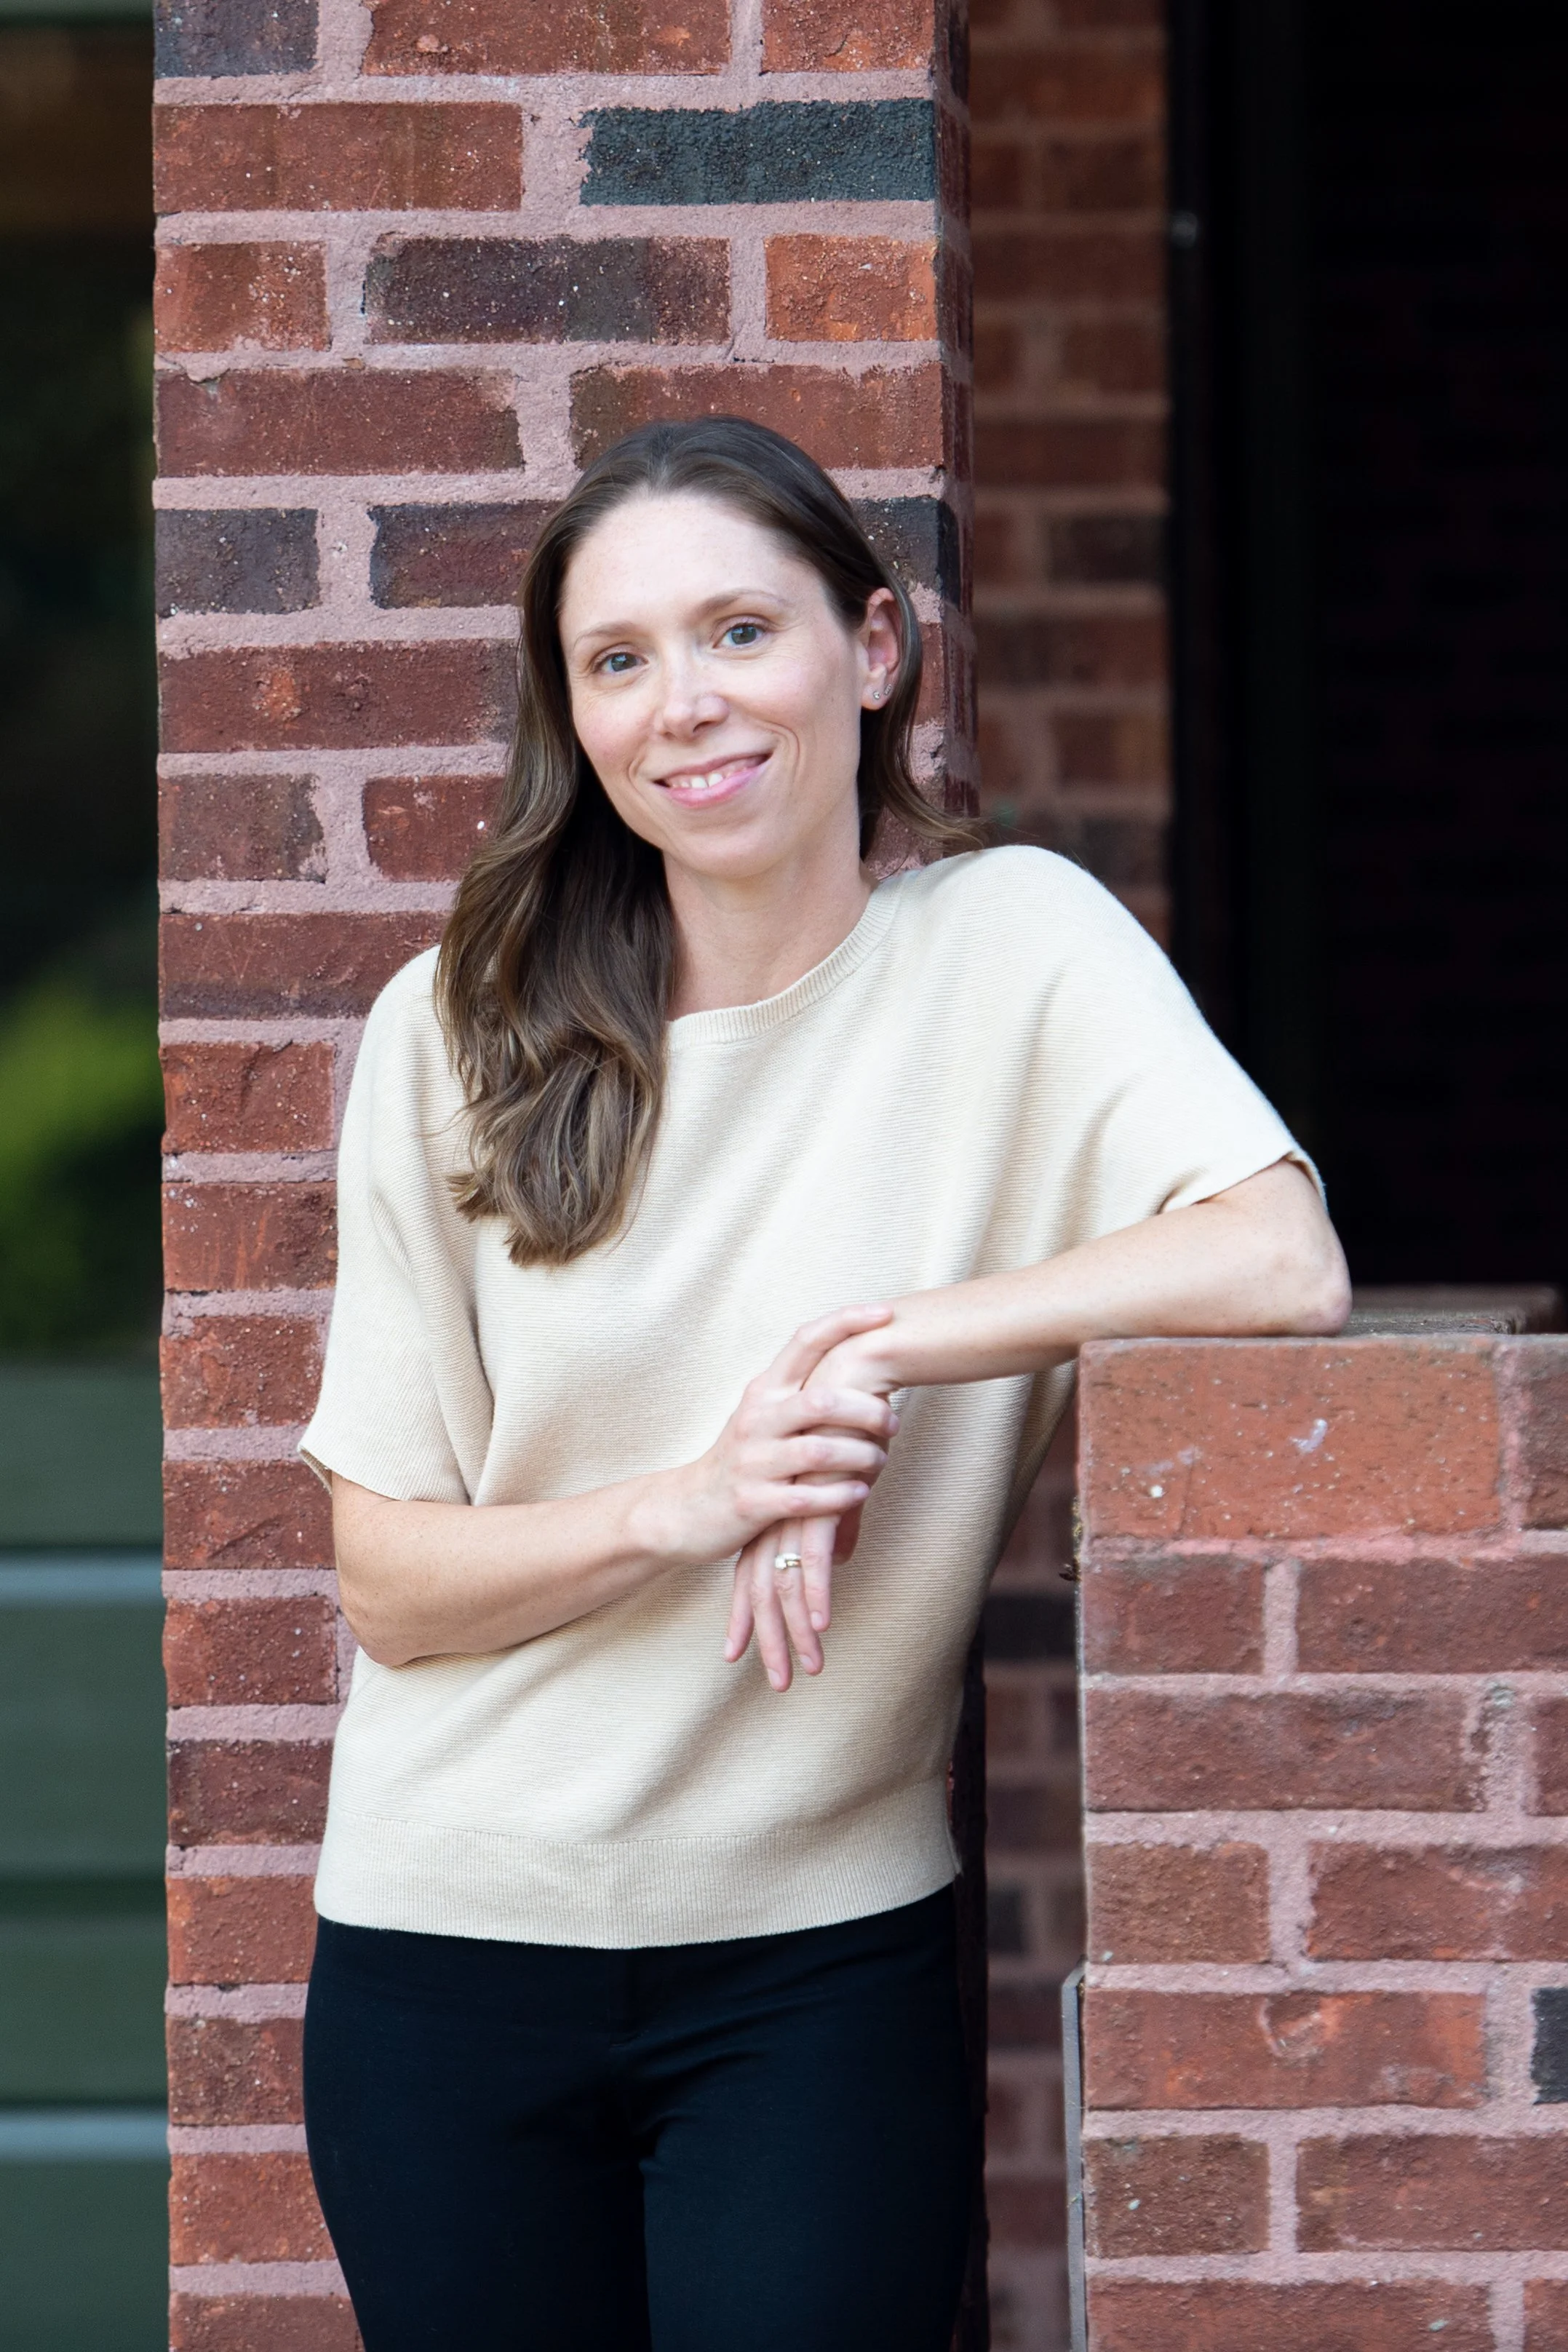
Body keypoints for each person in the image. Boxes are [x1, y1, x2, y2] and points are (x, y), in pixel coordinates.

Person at [298, 416, 1349, 2352]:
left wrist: (884, 1339)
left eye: (737, 632)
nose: (683, 706)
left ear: (871, 650)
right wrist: (691, 1504)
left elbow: (1280, 1256)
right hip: (444, 1964)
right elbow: (391, 1582)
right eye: (616, 661)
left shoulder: (1012, 954)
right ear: (574, 720)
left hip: (811, 1970)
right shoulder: (460, 1031)